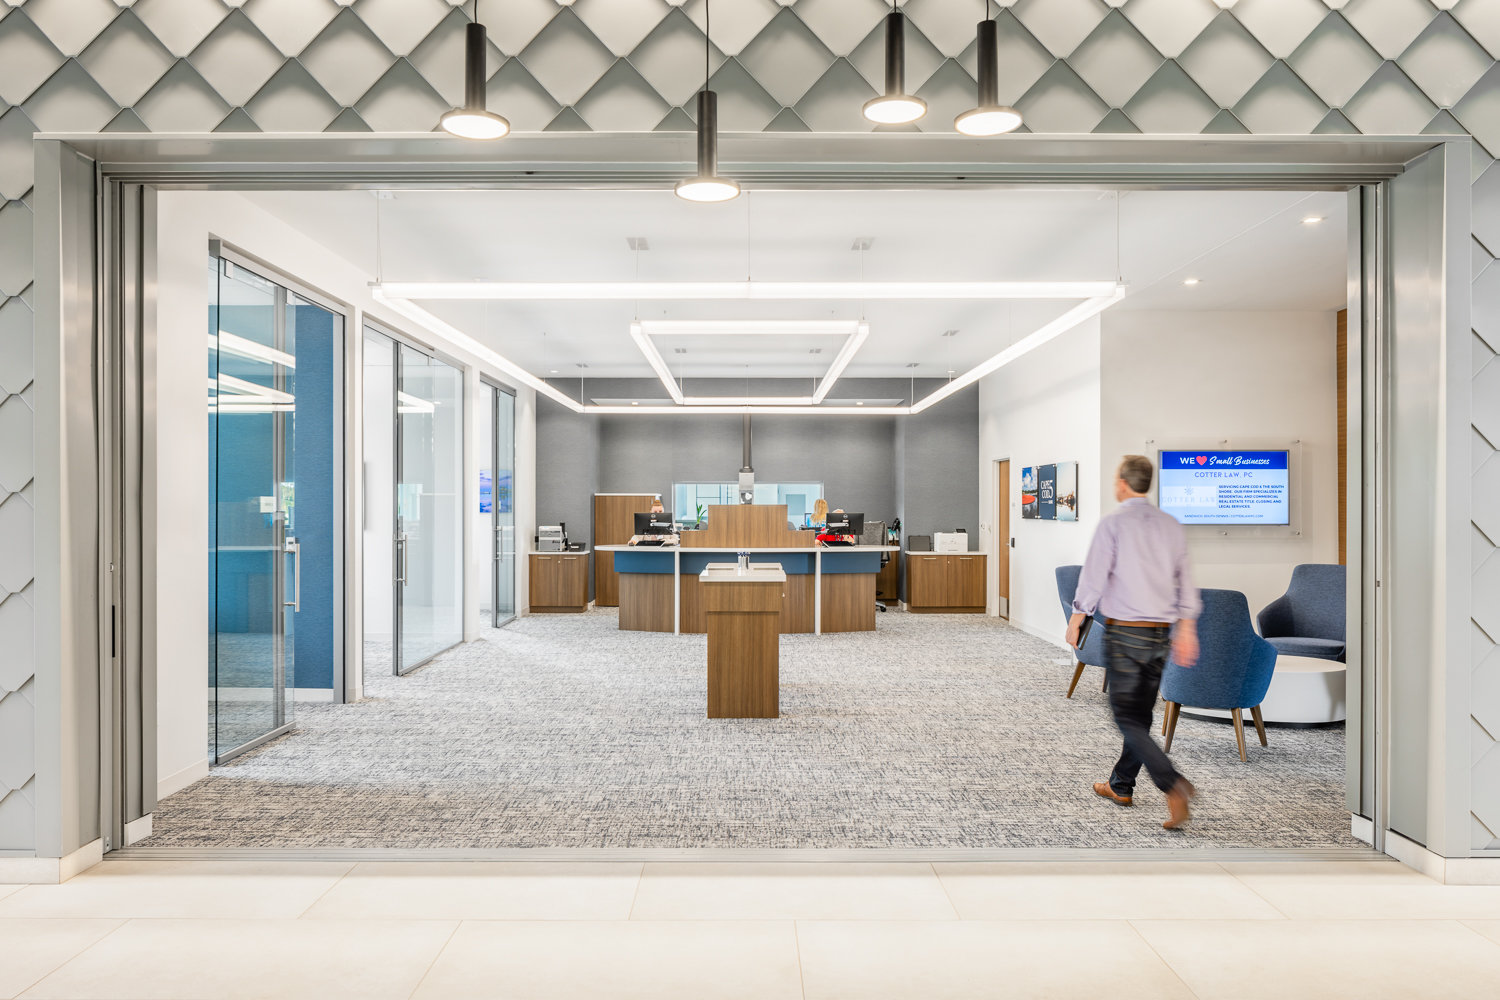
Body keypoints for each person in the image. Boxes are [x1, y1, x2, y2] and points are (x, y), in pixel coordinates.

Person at [1067, 454, 1202, 830]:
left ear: (1123, 484)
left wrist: (1077, 618)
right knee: (1140, 717)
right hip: (1160, 633)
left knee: (1126, 718)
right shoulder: (1170, 525)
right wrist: (1187, 629)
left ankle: (1172, 783)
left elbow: (1094, 576)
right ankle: (1121, 784)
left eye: (1116, 479)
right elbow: (1185, 581)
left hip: (1126, 634)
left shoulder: (1113, 524)